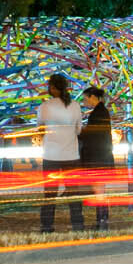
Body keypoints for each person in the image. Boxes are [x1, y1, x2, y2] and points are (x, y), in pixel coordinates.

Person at [38, 74, 84, 233]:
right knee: (73, 193)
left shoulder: (44, 107)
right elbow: (78, 130)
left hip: (51, 155)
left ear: (51, 88)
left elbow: (40, 128)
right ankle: (78, 225)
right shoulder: (76, 106)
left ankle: (47, 227)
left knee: (50, 194)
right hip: (71, 155)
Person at [77, 85, 115, 231]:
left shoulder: (98, 113)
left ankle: (102, 221)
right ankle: (102, 220)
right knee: (100, 191)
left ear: (93, 97)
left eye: (85, 99)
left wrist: (79, 133)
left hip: (98, 158)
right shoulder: (101, 112)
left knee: (99, 191)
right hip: (102, 157)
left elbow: (93, 135)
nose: (84, 102)